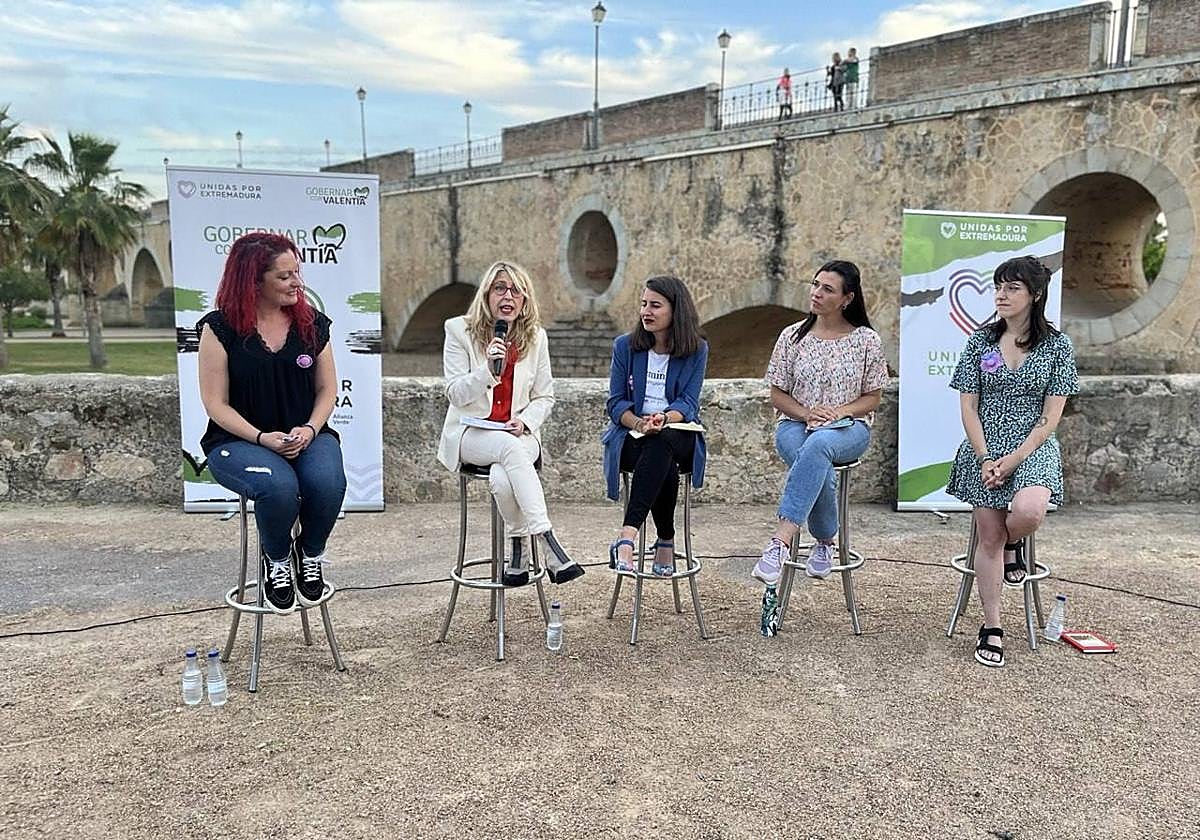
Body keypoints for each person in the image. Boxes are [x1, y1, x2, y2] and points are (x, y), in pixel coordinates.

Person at [197, 232, 346, 615]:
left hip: (307, 434)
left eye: (297, 272)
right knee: (277, 486)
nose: (297, 282)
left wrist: (311, 429)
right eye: (285, 276)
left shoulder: (312, 325)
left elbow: (328, 389)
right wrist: (263, 438)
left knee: (328, 483)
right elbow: (216, 404)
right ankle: (276, 559)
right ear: (253, 280)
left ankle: (309, 553)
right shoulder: (220, 329)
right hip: (239, 441)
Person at [946, 256, 1078, 668]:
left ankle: (1015, 542)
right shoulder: (980, 342)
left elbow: (1051, 417)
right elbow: (968, 406)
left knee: (1028, 511)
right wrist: (987, 457)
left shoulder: (1057, 347)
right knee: (988, 536)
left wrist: (1015, 457)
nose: (1001, 295)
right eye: (998, 287)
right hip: (985, 447)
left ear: (1035, 295)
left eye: (1012, 288)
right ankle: (992, 626)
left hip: (1032, 446)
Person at [437, 260, 583, 586]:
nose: (508, 296)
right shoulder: (458, 330)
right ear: (487, 295)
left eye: (516, 290)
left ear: (525, 300)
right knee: (506, 448)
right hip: (472, 433)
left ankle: (518, 546)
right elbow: (455, 394)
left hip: (519, 433)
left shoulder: (536, 337)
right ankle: (547, 541)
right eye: (500, 288)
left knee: (504, 478)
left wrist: (526, 421)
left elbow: (545, 397)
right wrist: (487, 370)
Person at [752, 260, 888, 587]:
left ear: (847, 298)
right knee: (814, 451)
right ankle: (826, 540)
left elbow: (872, 398)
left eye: (827, 289)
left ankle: (780, 540)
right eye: (815, 285)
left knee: (820, 444)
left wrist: (840, 411)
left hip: (849, 428)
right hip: (794, 424)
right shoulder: (791, 337)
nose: (816, 293)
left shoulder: (867, 340)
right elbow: (777, 394)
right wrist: (806, 413)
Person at [603, 276, 708, 576]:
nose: (646, 311)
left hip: (678, 432)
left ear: (676, 311)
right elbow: (616, 402)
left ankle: (627, 537)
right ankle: (666, 539)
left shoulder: (696, 350)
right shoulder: (625, 346)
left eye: (655, 306)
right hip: (632, 436)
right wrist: (639, 422)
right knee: (661, 454)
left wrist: (664, 418)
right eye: (643, 304)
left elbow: (689, 402)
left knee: (664, 441)